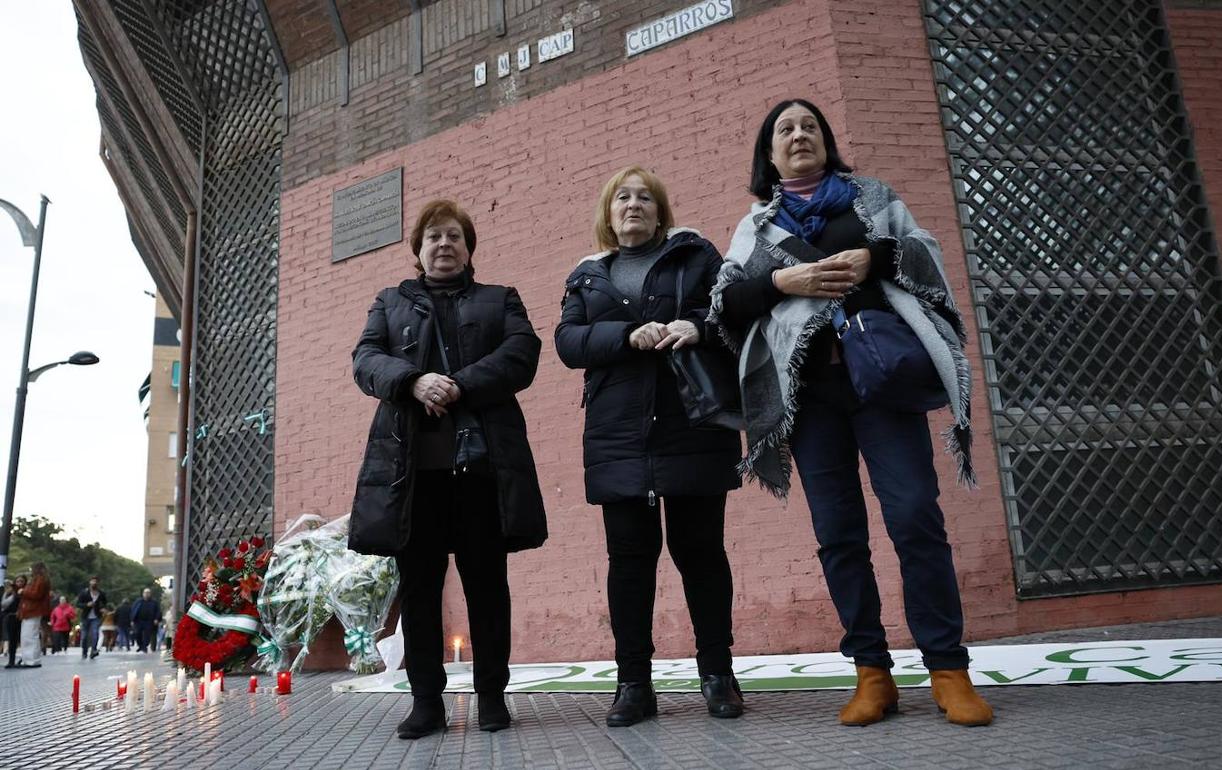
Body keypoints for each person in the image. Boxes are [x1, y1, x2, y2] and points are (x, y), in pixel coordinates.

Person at [710, 99, 992, 728]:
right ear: (769, 154)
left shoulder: (871, 198)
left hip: (881, 386)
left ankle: (948, 669)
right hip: (809, 401)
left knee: (916, 517)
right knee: (839, 535)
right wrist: (784, 284)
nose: (799, 134)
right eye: (785, 129)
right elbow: (727, 303)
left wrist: (876, 258)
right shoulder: (756, 227)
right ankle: (871, 672)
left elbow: (925, 253)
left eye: (809, 125)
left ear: (826, 140)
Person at [350, 198, 547, 740]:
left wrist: (457, 384)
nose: (444, 244)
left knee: (488, 585)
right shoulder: (388, 302)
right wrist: (413, 381)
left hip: (481, 469)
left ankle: (491, 697)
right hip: (412, 474)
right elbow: (365, 359)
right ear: (418, 249)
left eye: (454, 236)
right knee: (418, 589)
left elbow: (522, 353)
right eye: (433, 236)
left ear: (468, 247)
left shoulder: (499, 298)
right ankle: (425, 702)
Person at [555, 166, 744, 727]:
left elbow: (730, 310)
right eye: (622, 198)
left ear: (660, 211)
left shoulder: (695, 255)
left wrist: (696, 328)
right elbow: (568, 342)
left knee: (701, 553)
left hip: (692, 423)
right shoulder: (587, 276)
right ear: (608, 214)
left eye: (643, 198)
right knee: (630, 564)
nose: (632, 205)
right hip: (619, 436)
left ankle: (718, 675)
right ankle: (634, 683)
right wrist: (625, 335)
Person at [15, 562, 50, 668]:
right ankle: (28, 659)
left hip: (33, 610)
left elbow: (36, 594)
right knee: (27, 636)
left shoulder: (40, 580)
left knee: (30, 636)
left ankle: (32, 660)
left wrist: (23, 591)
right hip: (30, 610)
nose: (31, 571)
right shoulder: (39, 579)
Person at [76, 576, 107, 659]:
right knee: (84, 636)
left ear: (98, 583)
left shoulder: (101, 593)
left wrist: (102, 608)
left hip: (96, 617)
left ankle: (93, 650)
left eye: (96, 581)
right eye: (92, 581)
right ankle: (84, 652)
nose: (94, 583)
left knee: (95, 633)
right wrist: (86, 605)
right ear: (90, 582)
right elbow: (78, 604)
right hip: (85, 617)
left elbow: (104, 603)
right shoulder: (84, 593)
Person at [131, 588, 160, 653]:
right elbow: (133, 610)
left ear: (150, 594)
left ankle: (144, 647)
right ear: (143, 594)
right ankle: (140, 645)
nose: (147, 594)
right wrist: (132, 620)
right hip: (139, 621)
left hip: (149, 621)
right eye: (145, 593)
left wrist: (156, 619)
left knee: (147, 635)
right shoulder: (138, 601)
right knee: (137, 634)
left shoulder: (154, 602)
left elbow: (158, 611)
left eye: (148, 593)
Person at [1, 577, 19, 667]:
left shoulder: (17, 594)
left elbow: (4, 604)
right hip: (6, 617)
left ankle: (12, 659)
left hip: (14, 617)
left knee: (12, 639)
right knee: (8, 638)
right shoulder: (7, 594)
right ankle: (10, 659)